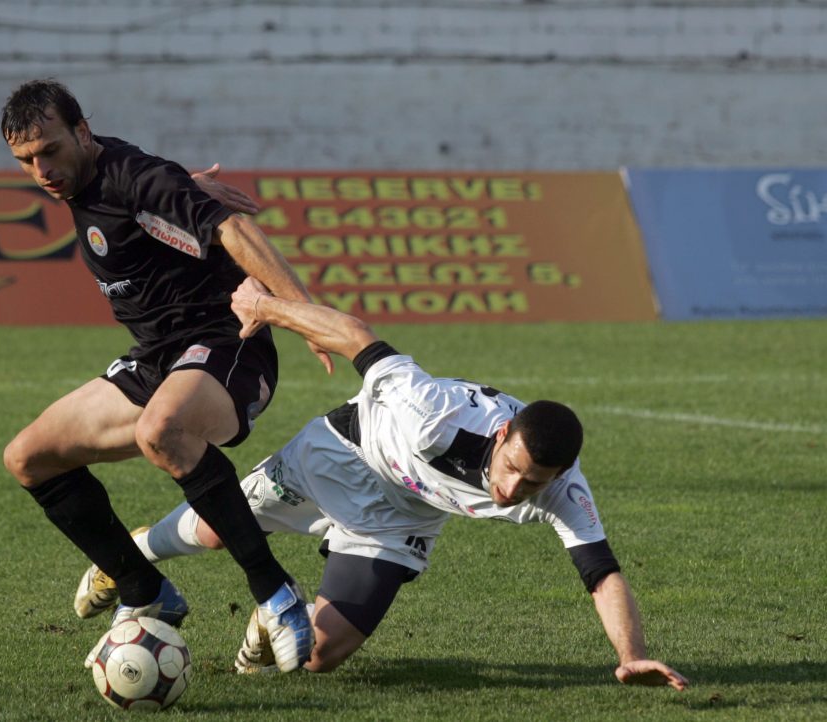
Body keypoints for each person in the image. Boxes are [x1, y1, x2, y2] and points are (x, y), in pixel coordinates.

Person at [74, 276, 690, 691]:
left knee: (319, 657)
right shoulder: (432, 414)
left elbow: (600, 570)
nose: (511, 490)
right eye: (512, 470)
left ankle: (268, 623)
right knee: (212, 531)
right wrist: (266, 307)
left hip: (403, 518)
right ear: (501, 437)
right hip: (339, 457)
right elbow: (357, 337)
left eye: (532, 486)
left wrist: (630, 655)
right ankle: (131, 556)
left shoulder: (562, 487)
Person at [0, 79, 331, 673]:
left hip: (229, 343)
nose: (41, 169)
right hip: (157, 355)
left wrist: (305, 315)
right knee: (29, 457)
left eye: (49, 150)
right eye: (26, 159)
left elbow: (233, 229)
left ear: (82, 132)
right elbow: (155, 197)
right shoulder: (92, 179)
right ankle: (144, 591)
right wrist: (185, 184)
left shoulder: (130, 173)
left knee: (162, 431)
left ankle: (275, 593)